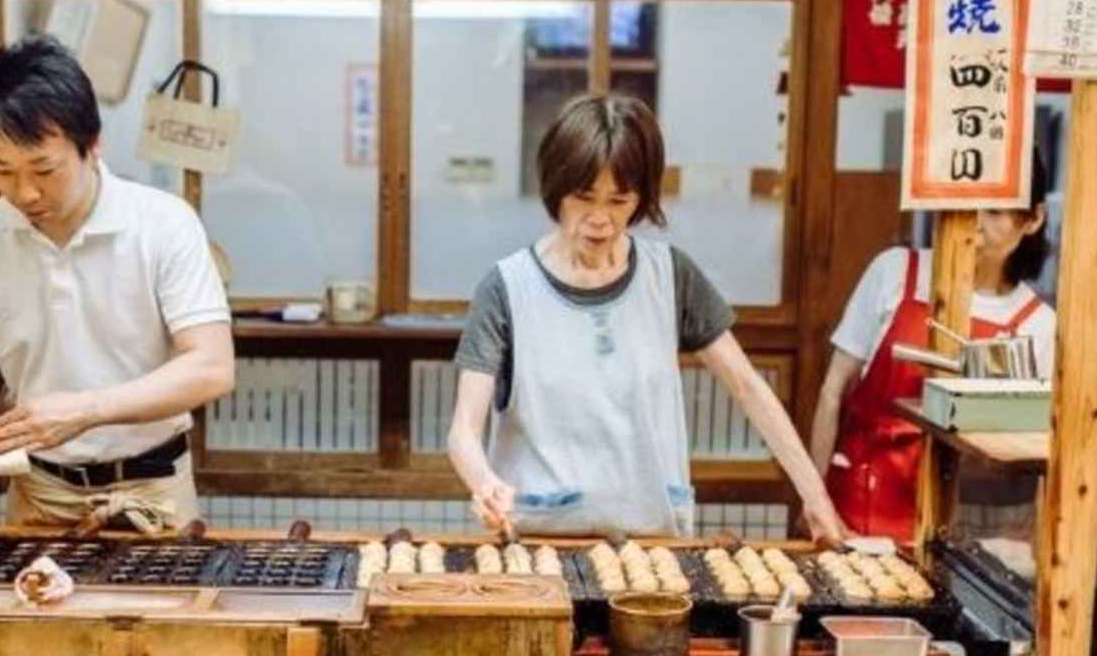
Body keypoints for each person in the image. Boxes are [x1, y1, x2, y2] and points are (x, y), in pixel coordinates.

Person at [447, 94, 843, 541]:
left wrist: (815, 496)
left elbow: (748, 388)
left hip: (654, 543)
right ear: (555, 189)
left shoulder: (670, 277)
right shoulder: (506, 288)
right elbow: (463, 431)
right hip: (538, 540)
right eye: (583, 198)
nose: (600, 219)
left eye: (619, 201)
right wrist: (484, 484)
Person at [0, 36, 234, 529]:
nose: (25, 192)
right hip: (38, 493)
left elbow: (211, 366)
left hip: (152, 491)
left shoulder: (164, 222)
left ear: (94, 145)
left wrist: (88, 410)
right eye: (2, 171)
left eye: (45, 170)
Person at [810, 153, 1056, 542]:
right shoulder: (894, 271)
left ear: (1034, 219)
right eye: (964, 204)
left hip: (958, 539)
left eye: (994, 210)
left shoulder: (1038, 325)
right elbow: (832, 391)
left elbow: (1039, 455)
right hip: (850, 515)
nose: (974, 223)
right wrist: (813, 501)